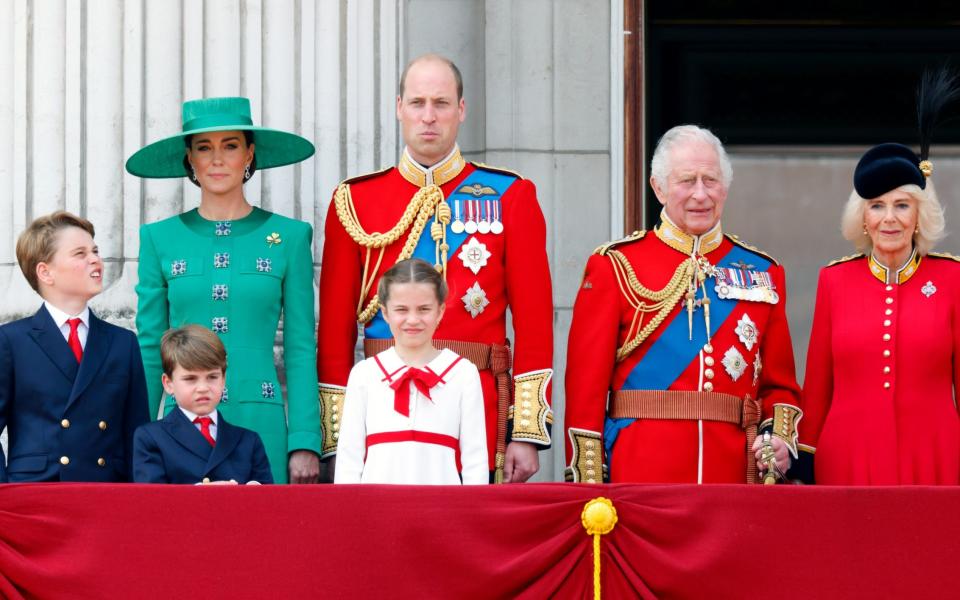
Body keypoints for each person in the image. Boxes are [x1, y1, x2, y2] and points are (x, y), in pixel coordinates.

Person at [317, 54, 553, 483]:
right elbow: (334, 333)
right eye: (418, 102)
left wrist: (527, 431)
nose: (429, 117)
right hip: (380, 405)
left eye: (441, 104)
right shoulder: (355, 201)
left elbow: (535, 323)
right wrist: (336, 438)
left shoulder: (510, 195)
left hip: (479, 404)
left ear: (461, 110)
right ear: (398, 107)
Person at [564, 125, 804, 484]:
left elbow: (780, 386)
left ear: (726, 186)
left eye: (711, 180)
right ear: (658, 187)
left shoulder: (763, 272)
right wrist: (588, 481)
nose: (700, 194)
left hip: (734, 477)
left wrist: (780, 440)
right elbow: (585, 390)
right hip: (640, 473)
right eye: (686, 181)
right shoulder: (615, 265)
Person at [126, 97, 321, 484]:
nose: (217, 159)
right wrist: (140, 433)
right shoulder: (158, 238)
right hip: (177, 431)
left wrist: (304, 440)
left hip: (262, 421)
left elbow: (300, 347)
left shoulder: (289, 238)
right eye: (204, 147)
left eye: (230, 146)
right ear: (190, 159)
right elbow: (150, 348)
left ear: (250, 154)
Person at [800, 71, 960, 485]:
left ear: (919, 216)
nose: (889, 217)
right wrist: (804, 462)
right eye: (877, 206)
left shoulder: (951, 278)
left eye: (902, 205)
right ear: (863, 219)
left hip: (937, 457)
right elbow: (817, 390)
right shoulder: (834, 281)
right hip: (847, 459)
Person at [0, 211, 149, 482]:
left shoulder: (122, 342)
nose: (95, 260)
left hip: (104, 492)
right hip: (35, 495)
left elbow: (136, 435)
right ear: (45, 272)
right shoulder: (10, 340)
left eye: (95, 251)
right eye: (80, 254)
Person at [334, 259, 487, 484]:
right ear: (385, 313)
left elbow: (476, 463)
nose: (413, 320)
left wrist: (469, 516)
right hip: (376, 512)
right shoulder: (364, 374)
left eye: (424, 309)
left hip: (443, 511)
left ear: (440, 311)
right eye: (401, 310)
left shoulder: (463, 373)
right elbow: (349, 461)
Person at [133, 325, 272, 484]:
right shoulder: (150, 437)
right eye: (190, 379)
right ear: (168, 383)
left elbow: (268, 505)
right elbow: (150, 501)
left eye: (212, 377)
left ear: (223, 379)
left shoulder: (249, 441)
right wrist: (203, 494)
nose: (203, 388)